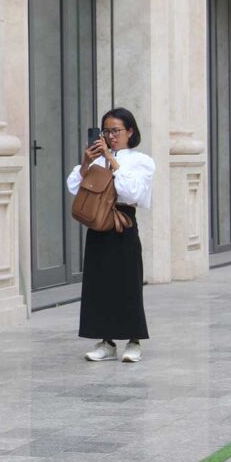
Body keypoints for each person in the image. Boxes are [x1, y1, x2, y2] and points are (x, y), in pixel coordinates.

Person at [66, 108, 155, 363]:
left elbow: (133, 193)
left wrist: (111, 160)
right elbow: (74, 187)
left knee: (128, 282)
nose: (111, 136)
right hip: (98, 225)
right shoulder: (95, 161)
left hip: (122, 223)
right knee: (98, 284)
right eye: (106, 131)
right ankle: (106, 341)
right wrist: (86, 163)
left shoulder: (142, 161)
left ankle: (134, 341)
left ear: (130, 132)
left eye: (116, 131)